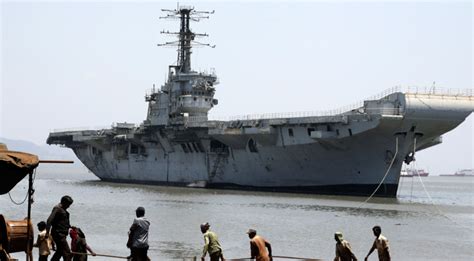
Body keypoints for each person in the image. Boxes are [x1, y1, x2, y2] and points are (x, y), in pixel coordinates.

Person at [47, 195, 73, 261]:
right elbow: (49, 220)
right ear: (63, 202)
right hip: (58, 234)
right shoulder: (57, 208)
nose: (69, 206)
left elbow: (61, 221)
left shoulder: (63, 210)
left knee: (60, 251)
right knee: (67, 252)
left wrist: (70, 226)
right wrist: (47, 233)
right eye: (68, 204)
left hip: (62, 234)